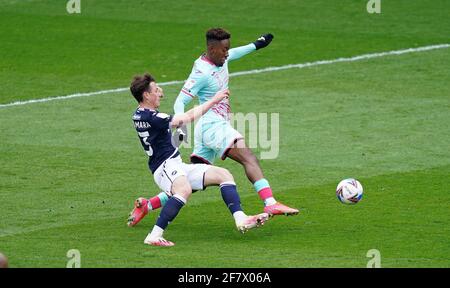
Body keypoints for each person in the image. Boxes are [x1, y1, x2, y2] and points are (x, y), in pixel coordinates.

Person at [127, 73, 269, 247]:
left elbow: (168, 141)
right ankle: (154, 235)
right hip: (163, 167)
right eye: (156, 90)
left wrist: (179, 134)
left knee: (223, 174)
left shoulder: (141, 115)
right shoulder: (151, 117)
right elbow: (184, 118)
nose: (161, 93)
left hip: (174, 163)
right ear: (146, 95)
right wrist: (214, 100)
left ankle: (241, 219)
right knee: (183, 190)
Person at [171, 27, 299, 216]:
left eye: (228, 48)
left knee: (195, 181)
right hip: (212, 126)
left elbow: (236, 53)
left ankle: (148, 204)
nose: (227, 53)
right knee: (249, 158)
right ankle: (270, 202)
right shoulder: (202, 72)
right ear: (212, 49)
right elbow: (180, 100)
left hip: (211, 127)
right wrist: (180, 123)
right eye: (224, 49)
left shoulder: (220, 58)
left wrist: (257, 45)